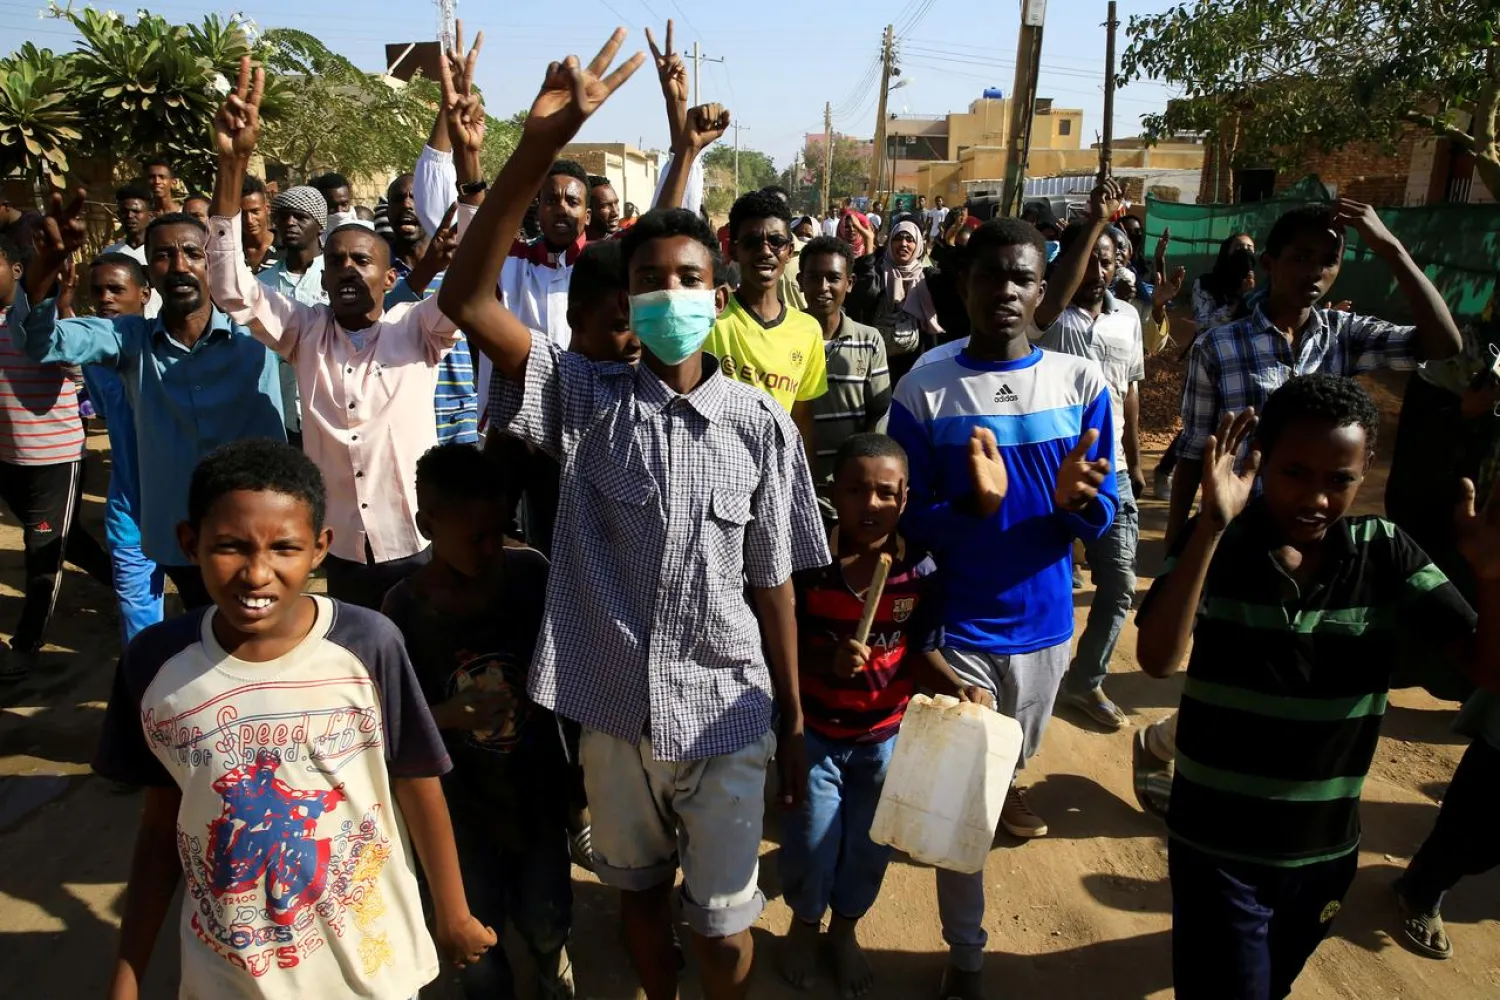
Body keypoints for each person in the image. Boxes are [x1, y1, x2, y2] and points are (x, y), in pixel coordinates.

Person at [437, 31, 828, 1000]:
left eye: (688, 279)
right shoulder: (582, 396)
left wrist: (792, 715)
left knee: (727, 927)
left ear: (718, 290)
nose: (669, 296)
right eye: (650, 281)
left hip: (729, 712)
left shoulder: (762, 426)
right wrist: (536, 148)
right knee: (640, 899)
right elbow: (463, 295)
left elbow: (771, 575)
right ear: (629, 298)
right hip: (613, 718)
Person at [1133, 375, 1500, 999]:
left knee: (1272, 984)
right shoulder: (1223, 542)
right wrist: (1212, 528)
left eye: (1340, 480)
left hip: (1322, 851)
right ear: (1261, 463)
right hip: (1215, 843)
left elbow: (1486, 670)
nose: (1317, 498)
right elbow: (1160, 658)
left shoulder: (1385, 553)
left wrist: (1491, 577)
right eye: (1295, 472)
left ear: (1366, 473)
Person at [92, 437, 494, 1000]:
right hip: (229, 977)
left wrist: (452, 912)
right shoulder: (156, 665)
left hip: (371, 968)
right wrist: (128, 972)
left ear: (320, 548)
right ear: (189, 543)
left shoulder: (367, 644)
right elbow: (162, 826)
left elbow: (416, 781)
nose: (257, 573)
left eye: (284, 548)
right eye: (230, 546)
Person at [888, 216, 1116, 1000]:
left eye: (1022, 279)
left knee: (1010, 766)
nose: (1006, 292)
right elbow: (905, 517)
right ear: (964, 286)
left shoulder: (1082, 385)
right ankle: (969, 956)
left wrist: (1073, 508)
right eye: (992, 277)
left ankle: (1003, 786)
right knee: (964, 812)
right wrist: (971, 513)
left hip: (1048, 628)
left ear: (1043, 291)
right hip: (963, 630)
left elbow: (1104, 509)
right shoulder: (923, 386)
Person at [206, 60, 468, 611]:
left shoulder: (417, 327)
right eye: (337, 260)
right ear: (323, 278)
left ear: (389, 277)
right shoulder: (302, 332)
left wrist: (468, 167)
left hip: (415, 543)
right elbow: (231, 288)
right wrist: (231, 167)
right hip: (342, 549)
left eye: (362, 260)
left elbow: (471, 283)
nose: (349, 268)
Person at [778, 432, 990, 997]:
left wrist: (960, 688)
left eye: (885, 494)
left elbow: (922, 653)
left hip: (885, 739)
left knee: (870, 848)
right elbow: (779, 643)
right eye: (855, 490)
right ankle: (804, 925)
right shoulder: (809, 565)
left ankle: (844, 932)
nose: (870, 505)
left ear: (904, 499)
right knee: (811, 842)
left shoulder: (918, 571)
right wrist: (826, 656)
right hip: (816, 735)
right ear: (833, 492)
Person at [11, 192, 286, 610]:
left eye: (192, 252)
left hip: (262, 530)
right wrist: (42, 272)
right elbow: (41, 343)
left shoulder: (259, 329)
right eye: (163, 256)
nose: (179, 266)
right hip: (183, 538)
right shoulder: (128, 338)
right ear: (149, 274)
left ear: (212, 260)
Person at [382, 443, 575, 999]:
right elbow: (388, 719)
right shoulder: (403, 609)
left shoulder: (529, 574)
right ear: (427, 523)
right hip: (456, 806)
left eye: (500, 530)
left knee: (546, 909)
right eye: (474, 537)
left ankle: (550, 963)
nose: (491, 548)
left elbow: (564, 662)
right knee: (477, 927)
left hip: (535, 788)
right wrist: (446, 715)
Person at [1029, 179, 1142, 732]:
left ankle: (1084, 681)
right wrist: (1095, 221)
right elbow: (1053, 298)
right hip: (1048, 473)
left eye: (1107, 258)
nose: (1098, 269)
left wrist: (1137, 459)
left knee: (1119, 586)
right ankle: (1032, 683)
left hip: (1111, 472)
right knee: (1040, 580)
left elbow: (1132, 389)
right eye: (1089, 257)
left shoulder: (1128, 319)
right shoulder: (1049, 318)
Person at [0, 234, 112, 681]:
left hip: (54, 458)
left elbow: (79, 369)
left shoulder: (44, 325)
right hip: (7, 457)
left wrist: (62, 307)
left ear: (16, 270)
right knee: (69, 540)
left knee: (42, 549)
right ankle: (132, 584)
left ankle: (26, 644)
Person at [706, 188, 828, 468]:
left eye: (776, 241)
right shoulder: (710, 316)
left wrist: (800, 487)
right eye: (751, 242)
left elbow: (802, 419)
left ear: (789, 250)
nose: (765, 252)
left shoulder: (807, 330)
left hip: (775, 477)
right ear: (733, 249)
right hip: (714, 470)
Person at [81, 252, 165, 649]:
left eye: (117, 289)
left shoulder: (167, 349)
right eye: (98, 291)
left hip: (180, 502)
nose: (106, 299)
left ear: (144, 294)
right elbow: (103, 411)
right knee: (139, 620)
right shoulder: (93, 361)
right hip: (129, 506)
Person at [797, 235, 891, 505]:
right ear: (800, 281)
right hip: (795, 489)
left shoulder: (870, 340)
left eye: (833, 278)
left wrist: (862, 477)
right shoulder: (784, 337)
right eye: (814, 278)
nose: (823, 287)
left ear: (849, 283)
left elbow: (878, 415)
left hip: (849, 492)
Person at [257, 185, 329, 449]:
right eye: (284, 216)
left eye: (300, 217)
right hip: (280, 415)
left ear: (319, 225)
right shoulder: (261, 285)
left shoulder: (336, 277)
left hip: (330, 411)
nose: (290, 223)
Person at [849, 218, 942, 377]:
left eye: (909, 239)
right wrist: (869, 243)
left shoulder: (927, 278)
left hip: (916, 366)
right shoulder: (877, 272)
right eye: (898, 238)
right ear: (890, 243)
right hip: (878, 364)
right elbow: (864, 296)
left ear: (918, 244)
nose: (904, 244)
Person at [104, 183, 152, 263]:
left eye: (136, 211)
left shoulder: (159, 253)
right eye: (124, 212)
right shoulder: (109, 254)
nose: (130, 215)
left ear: (150, 215)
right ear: (119, 215)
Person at [240, 174, 277, 271]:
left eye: (255, 212)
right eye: (242, 213)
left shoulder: (286, 247)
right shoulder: (232, 249)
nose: (249, 220)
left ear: (267, 209)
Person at [587, 174, 622, 240]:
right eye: (605, 206)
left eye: (616, 203)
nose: (615, 213)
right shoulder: (570, 245)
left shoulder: (626, 243)